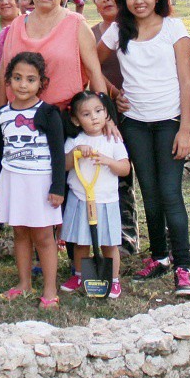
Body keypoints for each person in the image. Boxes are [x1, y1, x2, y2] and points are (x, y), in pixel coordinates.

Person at [97, 0, 190, 296]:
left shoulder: (173, 28)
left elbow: (186, 81)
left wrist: (185, 129)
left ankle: (183, 267)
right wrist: (113, 91)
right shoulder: (118, 31)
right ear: (124, 0)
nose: (139, 1)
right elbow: (92, 63)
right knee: (150, 194)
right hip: (135, 123)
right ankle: (159, 257)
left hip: (169, 122)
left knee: (170, 194)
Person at [0, 52, 65, 309]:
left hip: (40, 183)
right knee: (20, 232)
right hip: (13, 180)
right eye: (17, 78)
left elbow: (57, 154)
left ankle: (50, 289)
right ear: (8, 81)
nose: (23, 85)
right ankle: (24, 283)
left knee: (44, 236)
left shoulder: (48, 113)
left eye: (30, 79)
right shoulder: (2, 114)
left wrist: (57, 188)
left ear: (41, 83)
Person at [0, 0, 108, 120]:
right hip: (20, 120)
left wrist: (106, 117)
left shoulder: (77, 25)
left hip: (65, 119)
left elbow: (94, 74)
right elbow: (4, 73)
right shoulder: (17, 25)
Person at [60, 91, 130, 299]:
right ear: (76, 119)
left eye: (99, 111)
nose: (94, 117)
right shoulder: (75, 140)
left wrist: (109, 161)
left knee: (109, 243)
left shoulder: (113, 140)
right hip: (80, 198)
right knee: (81, 242)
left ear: (106, 113)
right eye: (87, 114)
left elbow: (125, 168)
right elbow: (64, 165)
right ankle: (80, 275)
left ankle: (113, 279)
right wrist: (76, 153)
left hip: (106, 200)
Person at [91, 0, 139, 257]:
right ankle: (117, 238)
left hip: (137, 110)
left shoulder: (139, 28)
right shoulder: (91, 34)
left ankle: (136, 236)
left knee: (134, 172)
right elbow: (89, 69)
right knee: (112, 177)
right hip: (104, 114)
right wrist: (112, 93)